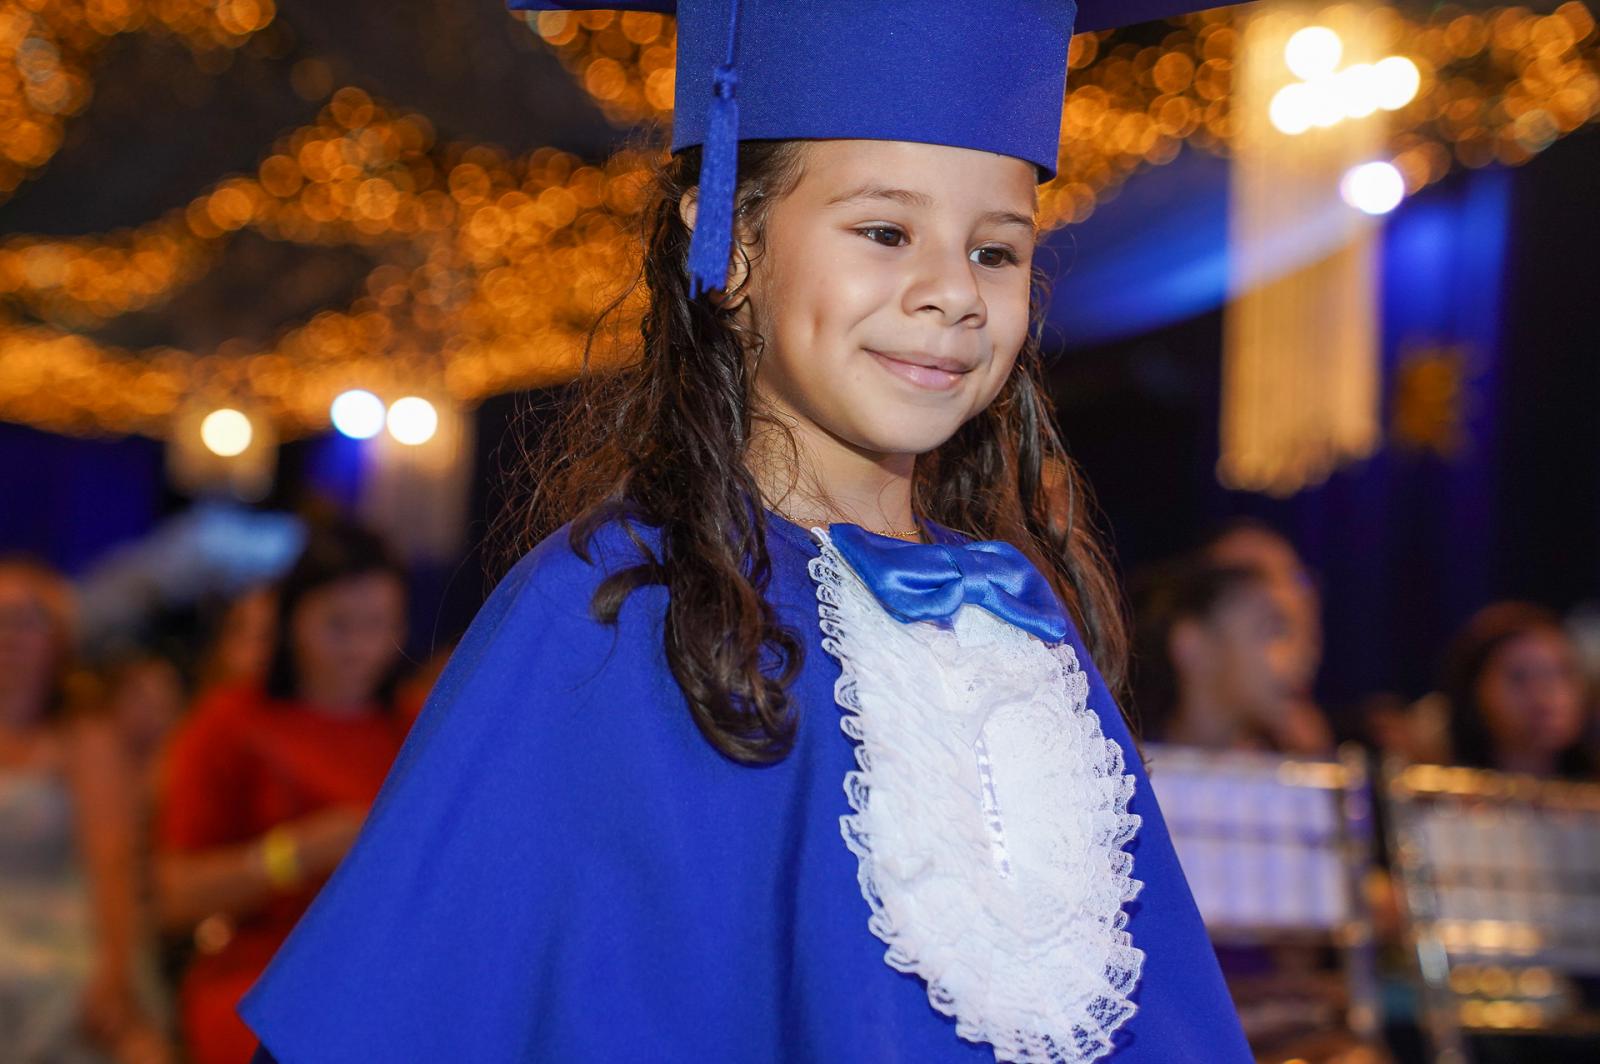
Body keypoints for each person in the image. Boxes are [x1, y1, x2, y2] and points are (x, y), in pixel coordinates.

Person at [241, 3, 1252, 1062]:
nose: (955, 292)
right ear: (729, 245)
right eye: (884, 232)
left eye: (996, 251)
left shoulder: (1015, 617)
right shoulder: (618, 610)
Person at [155, 525, 412, 1064]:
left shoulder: (415, 723)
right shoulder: (232, 721)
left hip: (385, 969)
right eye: (338, 625)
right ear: (293, 620)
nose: (359, 647)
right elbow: (175, 896)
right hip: (262, 970)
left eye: (378, 625)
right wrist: (295, 853)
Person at [0, 558, 170, 1064]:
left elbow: (114, 862)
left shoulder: (85, 738)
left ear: (58, 638)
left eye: (27, 619)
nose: (10, 635)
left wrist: (115, 972)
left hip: (62, 943)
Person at [1439, 601, 1594, 780]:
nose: (1543, 694)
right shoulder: (1438, 788)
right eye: (1519, 677)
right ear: (1474, 691)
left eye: (1561, 672)